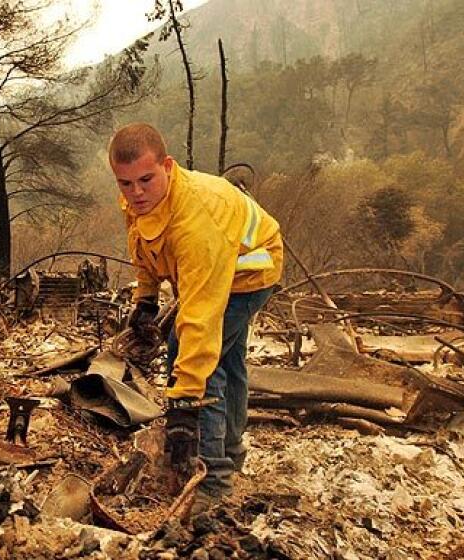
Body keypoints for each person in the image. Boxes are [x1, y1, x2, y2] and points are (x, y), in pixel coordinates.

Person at [108, 123, 283, 512]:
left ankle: (214, 481)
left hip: (248, 272)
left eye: (145, 180)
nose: (136, 193)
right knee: (230, 360)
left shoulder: (197, 221)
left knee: (198, 355)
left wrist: (184, 405)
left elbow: (199, 325)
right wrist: (147, 298)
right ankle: (232, 453)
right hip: (220, 264)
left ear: (167, 166)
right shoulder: (139, 201)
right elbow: (144, 244)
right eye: (125, 183)